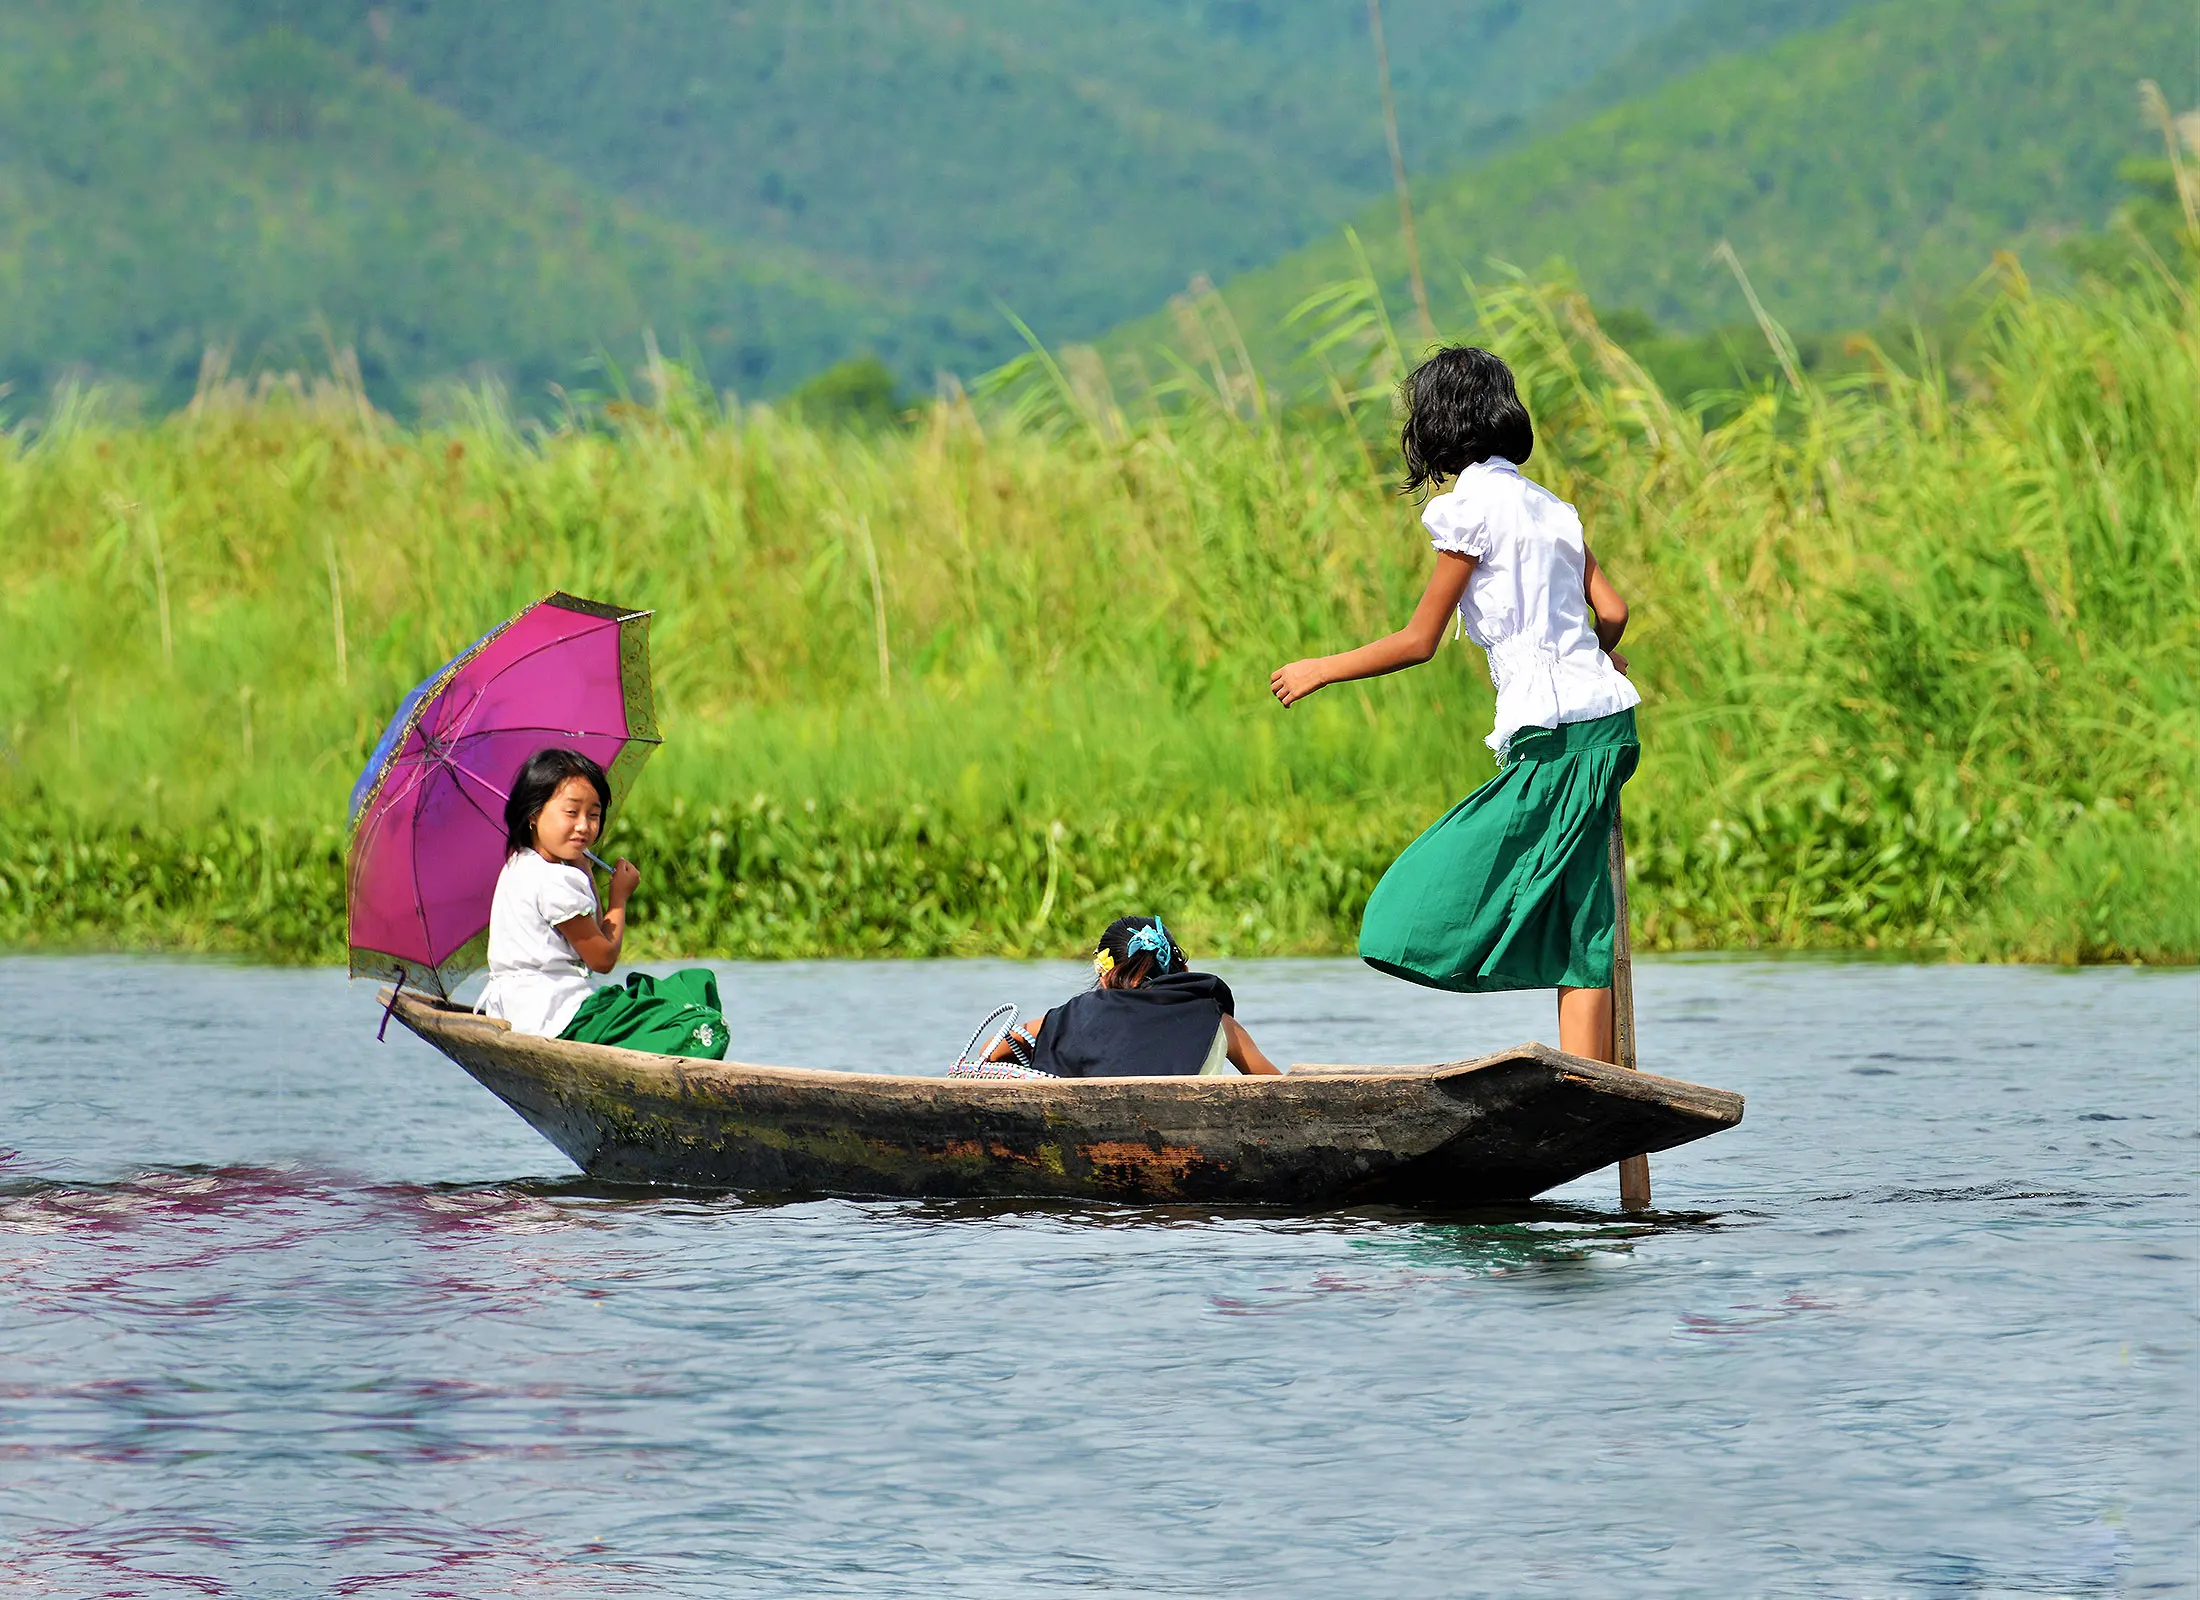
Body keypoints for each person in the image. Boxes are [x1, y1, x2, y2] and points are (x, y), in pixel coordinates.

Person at [1268, 345, 1640, 1065]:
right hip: (1610, 725)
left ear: (1438, 426)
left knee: (1401, 911)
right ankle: (1590, 1082)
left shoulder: (1467, 508)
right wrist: (1600, 651)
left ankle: (1585, 1080)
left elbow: (1419, 639)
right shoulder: (1554, 509)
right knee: (1582, 912)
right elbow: (1615, 608)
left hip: (1556, 735)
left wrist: (1321, 668)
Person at [479, 748, 730, 1059]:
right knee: (705, 1024)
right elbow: (602, 958)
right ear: (534, 813)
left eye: (593, 815)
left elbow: (592, 927)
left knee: (693, 985)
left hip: (525, 1011)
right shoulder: (552, 881)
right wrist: (619, 899)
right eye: (571, 813)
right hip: (561, 1018)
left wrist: (584, 871)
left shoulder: (520, 865)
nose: (584, 826)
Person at [979, 916, 1280, 1077]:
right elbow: (1279, 1090)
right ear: (1182, 969)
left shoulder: (1069, 1016)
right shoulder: (1218, 1021)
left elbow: (990, 1052)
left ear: (1104, 974)